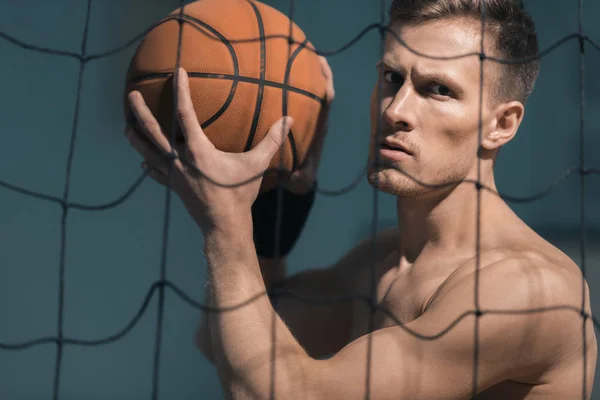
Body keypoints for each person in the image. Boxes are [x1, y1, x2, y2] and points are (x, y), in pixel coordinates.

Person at [125, 0, 597, 398]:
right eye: (392, 78)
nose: (396, 111)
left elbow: (280, 392)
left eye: (438, 90)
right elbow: (224, 341)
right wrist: (276, 198)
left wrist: (224, 224)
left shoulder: (530, 290)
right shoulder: (378, 263)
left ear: (502, 125)